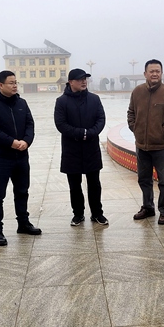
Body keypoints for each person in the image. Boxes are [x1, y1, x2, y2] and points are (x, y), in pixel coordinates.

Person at [0, 70, 41, 246]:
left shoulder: (21, 103)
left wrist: (26, 141)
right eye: (11, 83)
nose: (15, 85)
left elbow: (30, 124)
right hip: (2, 157)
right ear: (1, 85)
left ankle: (23, 223)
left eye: (16, 82)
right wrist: (12, 142)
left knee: (22, 191)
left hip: (22, 156)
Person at [128, 59, 164, 225]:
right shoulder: (137, 92)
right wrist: (135, 128)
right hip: (141, 146)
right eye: (152, 71)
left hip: (161, 146)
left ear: (161, 73)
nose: (155, 74)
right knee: (144, 179)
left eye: (158, 71)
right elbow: (131, 113)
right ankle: (148, 207)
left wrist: (162, 132)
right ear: (145, 74)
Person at [54, 68, 108, 226]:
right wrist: (80, 133)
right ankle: (78, 214)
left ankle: (97, 213)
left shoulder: (94, 99)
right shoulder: (62, 101)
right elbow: (61, 124)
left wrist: (90, 133)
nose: (83, 82)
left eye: (85, 79)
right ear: (71, 82)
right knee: (74, 185)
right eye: (79, 79)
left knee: (94, 183)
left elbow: (101, 119)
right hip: (72, 149)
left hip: (91, 148)